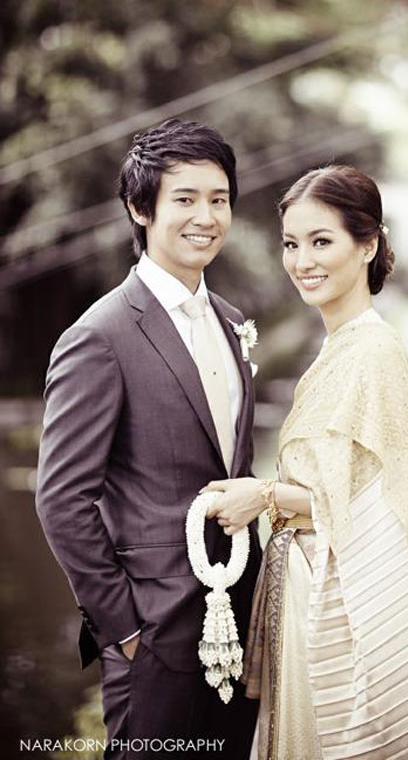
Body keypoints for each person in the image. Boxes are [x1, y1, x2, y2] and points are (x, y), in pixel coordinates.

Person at [203, 164, 408, 760]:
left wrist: (263, 495)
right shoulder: (339, 347)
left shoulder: (373, 350)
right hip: (306, 581)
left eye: (322, 241)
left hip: (342, 597)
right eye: (292, 244)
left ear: (367, 245)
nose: (302, 261)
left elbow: (372, 500)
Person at [35, 118, 262, 760]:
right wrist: (126, 629)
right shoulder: (99, 336)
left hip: (238, 618)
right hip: (153, 631)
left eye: (219, 199)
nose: (206, 217)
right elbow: (62, 501)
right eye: (185, 199)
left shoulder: (233, 322)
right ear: (141, 208)